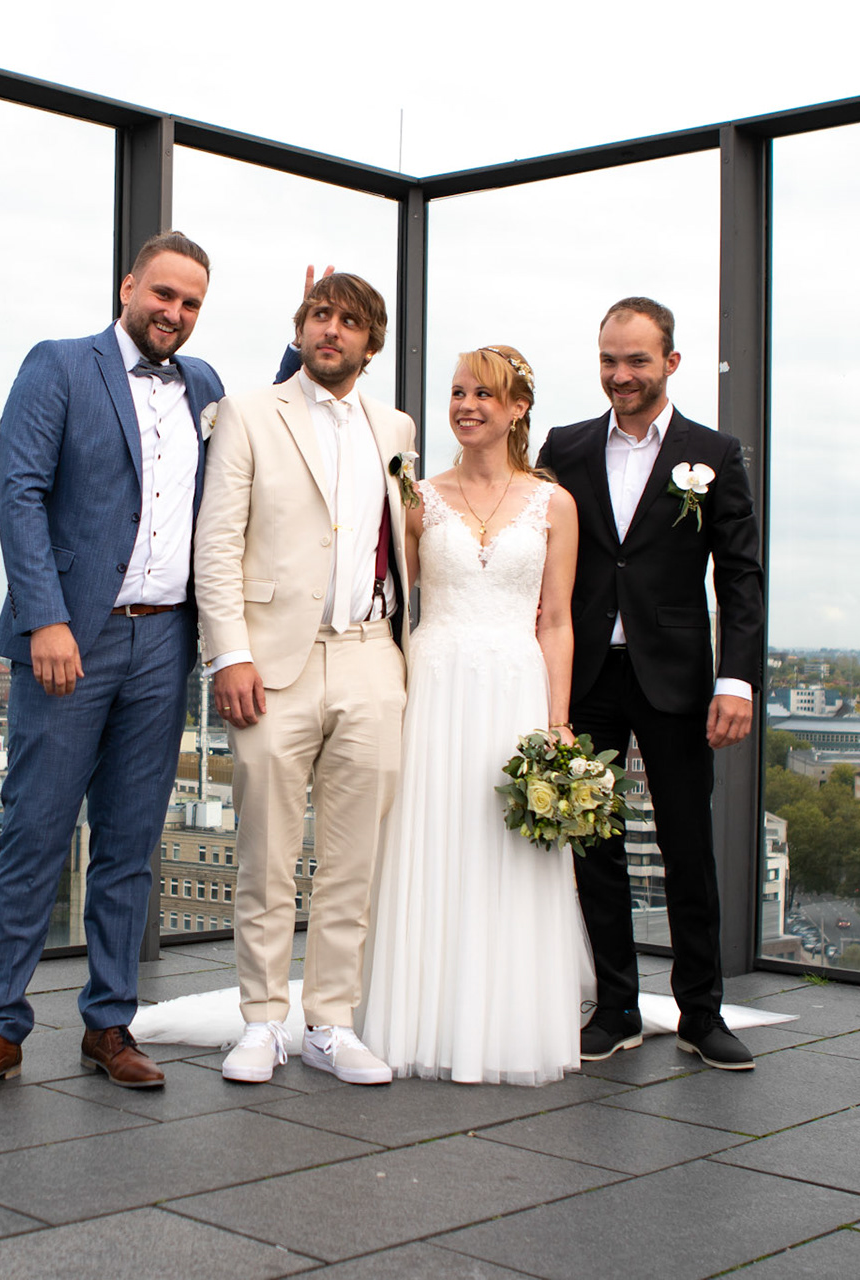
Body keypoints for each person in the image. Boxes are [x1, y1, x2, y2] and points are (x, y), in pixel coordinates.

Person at [0, 231, 224, 1097]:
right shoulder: (59, 365)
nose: (175, 312)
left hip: (164, 642)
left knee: (130, 844)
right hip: (71, 639)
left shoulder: (205, 386)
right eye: (163, 294)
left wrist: (301, 350)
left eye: (191, 303)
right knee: (35, 834)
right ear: (129, 286)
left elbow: (262, 450)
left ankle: (109, 1024)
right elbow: (18, 491)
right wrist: (46, 619)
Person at [194, 272, 417, 1086]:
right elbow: (217, 543)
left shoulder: (396, 428)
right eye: (320, 315)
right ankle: (261, 1022)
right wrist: (229, 655)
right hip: (270, 664)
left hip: (371, 656)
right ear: (300, 329)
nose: (332, 330)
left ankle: (331, 1022)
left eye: (349, 321)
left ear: (371, 342)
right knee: (267, 856)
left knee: (354, 860)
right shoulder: (250, 413)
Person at [535, 296, 764, 1072]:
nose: (620, 374)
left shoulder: (714, 453)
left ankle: (702, 1013)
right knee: (592, 843)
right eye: (609, 360)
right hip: (587, 674)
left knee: (687, 846)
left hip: (677, 677)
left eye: (636, 360)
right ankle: (617, 1009)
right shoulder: (565, 446)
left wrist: (737, 679)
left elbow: (740, 576)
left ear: (671, 362)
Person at [359, 345, 589, 1085]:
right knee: (428, 840)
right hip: (434, 687)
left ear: (517, 409)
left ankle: (506, 1025)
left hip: (516, 690)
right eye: (458, 392)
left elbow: (557, 620)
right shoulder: (417, 498)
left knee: (506, 851)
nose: (466, 405)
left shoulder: (554, 505)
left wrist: (558, 723)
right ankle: (417, 1018)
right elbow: (391, 603)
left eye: (484, 394)